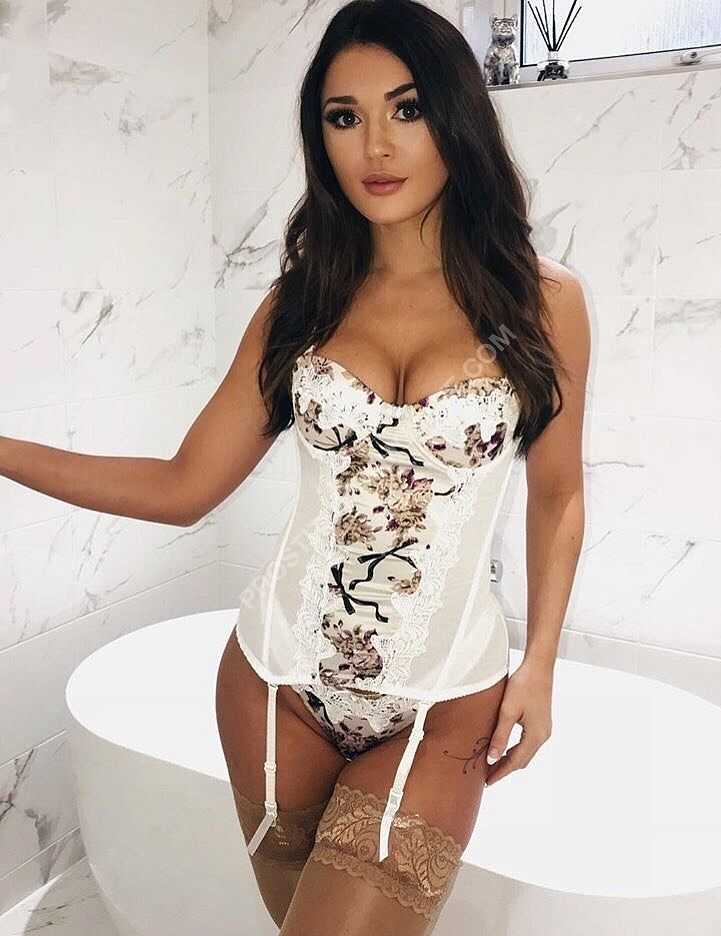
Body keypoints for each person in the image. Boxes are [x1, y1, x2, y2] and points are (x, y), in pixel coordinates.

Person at [0, 1, 589, 933]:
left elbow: (557, 494)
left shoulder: (543, 301)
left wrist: (542, 664)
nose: (376, 146)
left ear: (456, 117)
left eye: (406, 109)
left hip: (444, 699)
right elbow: (182, 487)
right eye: (343, 116)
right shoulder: (302, 304)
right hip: (276, 685)